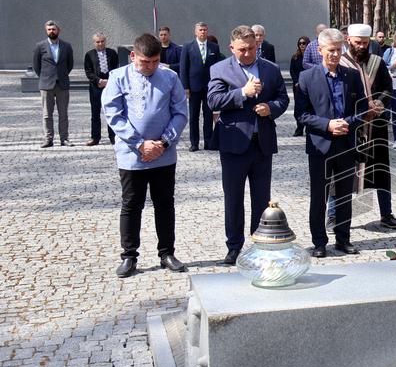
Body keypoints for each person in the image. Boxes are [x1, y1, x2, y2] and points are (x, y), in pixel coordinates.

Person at [101, 33, 188, 278]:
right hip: (132, 155)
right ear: (133, 56)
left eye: (155, 61)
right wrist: (140, 144)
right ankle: (129, 256)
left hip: (163, 153)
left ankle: (167, 252)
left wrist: (164, 142)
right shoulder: (118, 77)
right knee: (131, 204)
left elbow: (180, 112)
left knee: (165, 203)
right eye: (144, 62)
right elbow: (113, 114)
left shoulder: (170, 77)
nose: (150, 67)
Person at [207, 25, 290, 265]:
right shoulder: (220, 69)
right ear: (231, 48)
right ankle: (234, 246)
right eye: (242, 49)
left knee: (261, 199)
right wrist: (242, 92)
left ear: (257, 45)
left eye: (251, 48)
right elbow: (213, 101)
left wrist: (270, 108)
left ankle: (260, 244)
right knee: (233, 198)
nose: (247, 53)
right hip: (234, 143)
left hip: (262, 143)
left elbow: (282, 98)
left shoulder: (270, 68)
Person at [297, 28, 368, 256]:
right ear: (320, 50)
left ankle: (343, 239)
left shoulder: (352, 76)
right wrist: (327, 125)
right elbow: (302, 114)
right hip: (320, 145)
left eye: (338, 50)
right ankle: (319, 242)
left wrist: (347, 123)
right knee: (319, 196)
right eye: (331, 50)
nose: (335, 55)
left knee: (345, 194)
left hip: (346, 143)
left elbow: (362, 109)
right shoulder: (307, 77)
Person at [340, 24, 396, 230]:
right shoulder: (340, 63)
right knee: (341, 171)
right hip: (350, 127)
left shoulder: (378, 61)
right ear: (349, 40)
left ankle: (386, 214)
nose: (361, 46)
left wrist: (380, 103)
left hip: (376, 126)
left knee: (381, 170)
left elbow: (387, 88)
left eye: (365, 43)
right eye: (358, 42)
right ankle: (334, 215)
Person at [180, 22, 222, 151]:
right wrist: (185, 87)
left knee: (208, 115)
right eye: (200, 30)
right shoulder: (188, 46)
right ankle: (194, 143)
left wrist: (217, 85)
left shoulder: (214, 47)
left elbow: (217, 67)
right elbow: (183, 68)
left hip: (209, 87)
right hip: (194, 87)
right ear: (196, 32)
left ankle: (208, 142)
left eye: (204, 30)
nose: (203, 32)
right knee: (194, 116)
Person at [33, 20, 74, 148]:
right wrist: (46, 77)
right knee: (47, 114)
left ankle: (64, 139)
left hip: (62, 84)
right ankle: (48, 139)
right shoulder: (40, 46)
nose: (52, 31)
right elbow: (36, 66)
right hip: (46, 84)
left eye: (54, 29)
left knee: (63, 114)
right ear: (46, 31)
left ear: (58, 30)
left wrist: (61, 75)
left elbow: (70, 64)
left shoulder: (66, 46)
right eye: (49, 29)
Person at [84, 32, 119, 146]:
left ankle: (113, 137)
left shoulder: (112, 53)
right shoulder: (89, 55)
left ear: (105, 41)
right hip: (96, 87)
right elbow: (88, 71)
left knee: (111, 111)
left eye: (102, 41)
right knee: (95, 113)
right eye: (97, 42)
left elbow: (116, 69)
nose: (100, 44)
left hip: (110, 86)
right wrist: (99, 81)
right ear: (94, 42)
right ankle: (95, 137)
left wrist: (109, 81)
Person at [290, 36, 309, 136]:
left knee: (308, 106)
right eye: (300, 43)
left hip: (308, 85)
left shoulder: (310, 56)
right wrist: (296, 81)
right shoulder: (295, 57)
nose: (302, 45)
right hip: (298, 86)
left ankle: (309, 127)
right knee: (298, 107)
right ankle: (299, 128)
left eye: (304, 43)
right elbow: (292, 71)